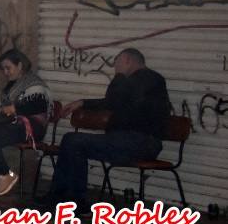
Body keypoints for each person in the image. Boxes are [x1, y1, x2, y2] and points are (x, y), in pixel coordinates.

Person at [40, 48, 170, 214]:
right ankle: (60, 196)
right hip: (126, 140)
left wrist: (119, 76)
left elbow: (113, 99)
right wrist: (82, 102)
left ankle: (73, 200)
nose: (115, 68)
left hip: (142, 143)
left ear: (128, 61)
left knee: (73, 141)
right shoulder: (140, 81)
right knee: (72, 142)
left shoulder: (150, 79)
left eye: (117, 64)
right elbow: (113, 102)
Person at [0, 49, 51, 196]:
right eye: (3, 69)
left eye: (8, 68)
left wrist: (14, 109)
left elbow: (39, 106)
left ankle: (5, 174)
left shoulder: (34, 83)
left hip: (30, 127)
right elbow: (2, 111)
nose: (5, 72)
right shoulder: (9, 87)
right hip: (13, 126)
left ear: (19, 65)